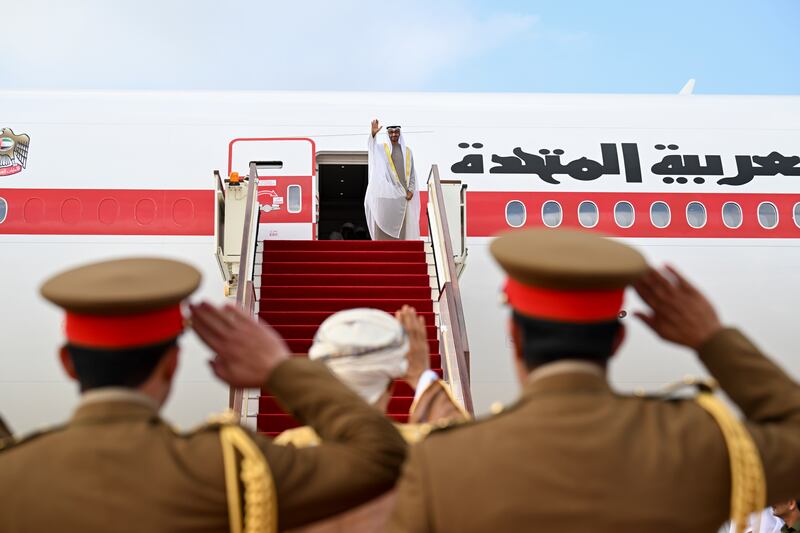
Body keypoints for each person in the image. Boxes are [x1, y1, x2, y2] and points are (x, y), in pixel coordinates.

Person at [387, 228, 800, 533]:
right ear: (617, 339)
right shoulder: (689, 444)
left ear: (514, 338)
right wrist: (712, 340)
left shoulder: (445, 464)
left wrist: (422, 377)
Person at [0, 257, 406, 532]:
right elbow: (380, 455)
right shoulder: (223, 467)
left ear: (68, 363)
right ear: (172, 363)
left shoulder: (12, 473)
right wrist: (278, 368)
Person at [278, 306, 467, 533]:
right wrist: (421, 375)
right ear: (391, 385)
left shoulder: (291, 452)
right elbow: (464, 448)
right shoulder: (422, 451)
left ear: (323, 381)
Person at [365, 120, 420, 241]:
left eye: (396, 132)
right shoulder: (382, 149)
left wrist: (411, 189)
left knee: (402, 227)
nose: (394, 134)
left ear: (400, 133)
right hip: (387, 196)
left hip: (403, 196)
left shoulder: (407, 151)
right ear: (387, 133)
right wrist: (373, 135)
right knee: (384, 224)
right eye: (391, 132)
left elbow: (411, 174)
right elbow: (372, 148)